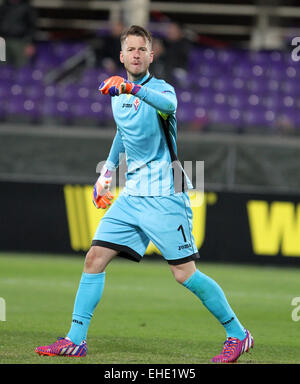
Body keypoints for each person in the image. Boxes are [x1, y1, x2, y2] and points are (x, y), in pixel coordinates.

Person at [35, 25, 254, 363]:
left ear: (151, 56)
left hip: (166, 193)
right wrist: (106, 175)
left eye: (142, 49)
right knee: (94, 258)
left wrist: (130, 87)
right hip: (132, 194)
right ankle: (75, 339)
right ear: (121, 56)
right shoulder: (118, 96)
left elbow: (167, 104)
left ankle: (238, 334)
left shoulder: (161, 90)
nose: (136, 54)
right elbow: (122, 136)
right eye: (130, 49)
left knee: (184, 274)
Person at [0, 0, 37, 68]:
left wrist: (30, 43)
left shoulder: (27, 7)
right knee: (2, 68)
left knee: (22, 68)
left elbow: (32, 27)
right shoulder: (4, 6)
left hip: (21, 42)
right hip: (4, 41)